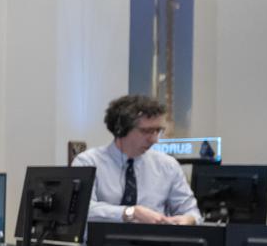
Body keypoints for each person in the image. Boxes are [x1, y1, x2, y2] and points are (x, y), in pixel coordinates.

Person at [74, 94, 200, 226]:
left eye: (158, 130)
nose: (154, 139)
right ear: (120, 129)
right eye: (146, 131)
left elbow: (192, 212)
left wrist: (188, 220)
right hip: (100, 244)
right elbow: (82, 210)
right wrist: (130, 213)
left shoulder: (168, 166)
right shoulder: (88, 162)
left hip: (154, 244)